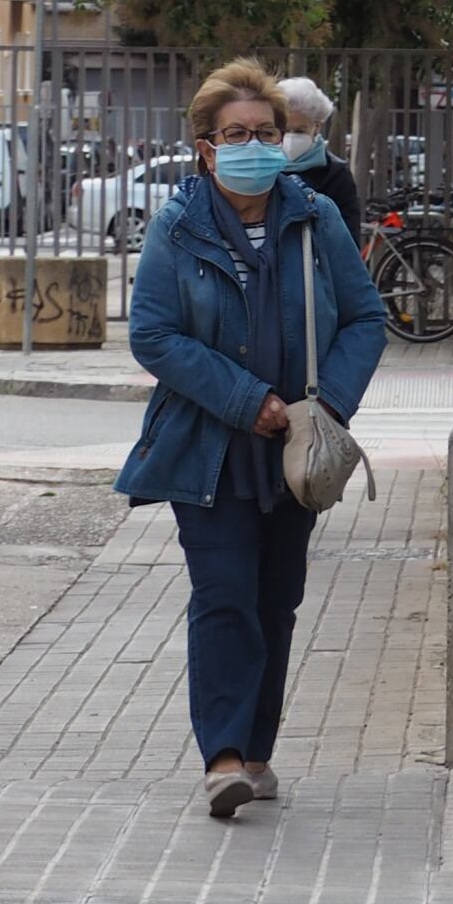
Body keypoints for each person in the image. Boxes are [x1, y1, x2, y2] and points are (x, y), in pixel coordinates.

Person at [116, 59, 387, 819]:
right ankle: (224, 758)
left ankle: (258, 751)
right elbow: (154, 335)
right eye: (234, 134)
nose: (252, 144)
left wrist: (325, 403)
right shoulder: (178, 225)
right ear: (205, 145)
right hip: (208, 448)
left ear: (285, 137)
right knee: (225, 595)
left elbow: (366, 318)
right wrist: (246, 401)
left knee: (276, 600)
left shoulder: (314, 217)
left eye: (265, 132)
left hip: (295, 452)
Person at [276, 75, 362, 245]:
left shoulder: (336, 174)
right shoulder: (263, 166)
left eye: (300, 130)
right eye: (285, 130)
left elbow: (348, 239)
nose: (291, 138)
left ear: (317, 127)